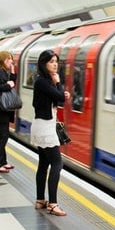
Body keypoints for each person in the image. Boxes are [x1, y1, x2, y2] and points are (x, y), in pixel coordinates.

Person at [31, 49, 71, 216]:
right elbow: (60, 98)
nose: (55, 64)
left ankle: (41, 200)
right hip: (45, 127)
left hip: (42, 125)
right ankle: (53, 204)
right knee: (57, 163)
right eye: (51, 61)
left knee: (43, 164)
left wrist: (59, 90)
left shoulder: (44, 82)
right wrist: (59, 84)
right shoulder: (42, 82)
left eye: (56, 61)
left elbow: (56, 98)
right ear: (44, 64)